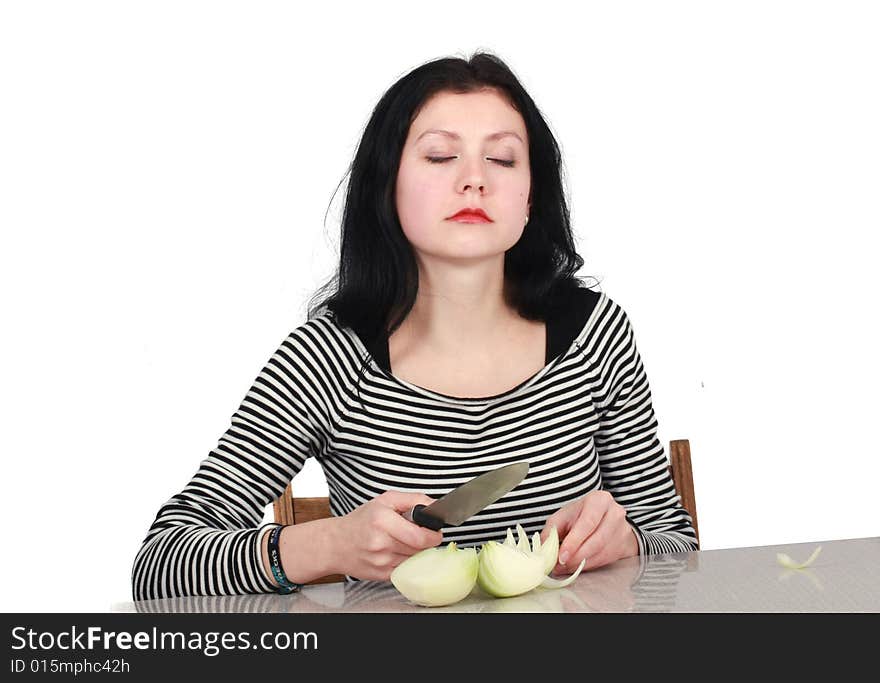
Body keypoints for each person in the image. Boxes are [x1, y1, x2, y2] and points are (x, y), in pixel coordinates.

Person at [131, 51, 698, 601]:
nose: (475, 180)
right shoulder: (328, 355)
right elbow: (159, 566)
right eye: (438, 157)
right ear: (388, 187)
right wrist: (331, 544)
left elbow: (680, 545)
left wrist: (629, 542)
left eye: (502, 159)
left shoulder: (596, 335)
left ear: (531, 198)